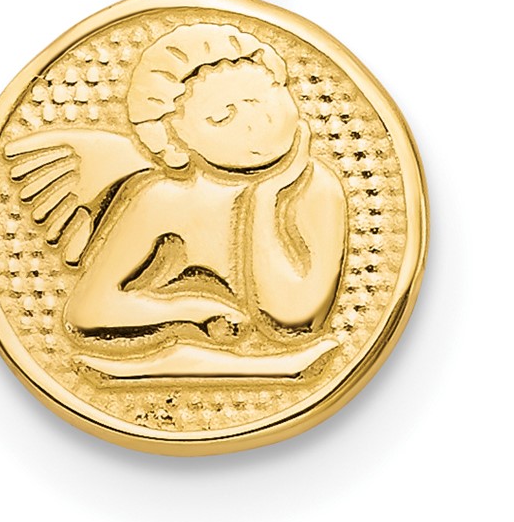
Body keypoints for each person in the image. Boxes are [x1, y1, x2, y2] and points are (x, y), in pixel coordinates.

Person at [64, 23, 347, 377]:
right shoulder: (162, 199)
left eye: (266, 97)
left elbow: (296, 320)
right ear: (175, 141)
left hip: (279, 358)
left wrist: (265, 196)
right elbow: (88, 312)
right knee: (179, 356)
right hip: (172, 363)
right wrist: (192, 312)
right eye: (222, 117)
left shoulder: (317, 187)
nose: (257, 122)